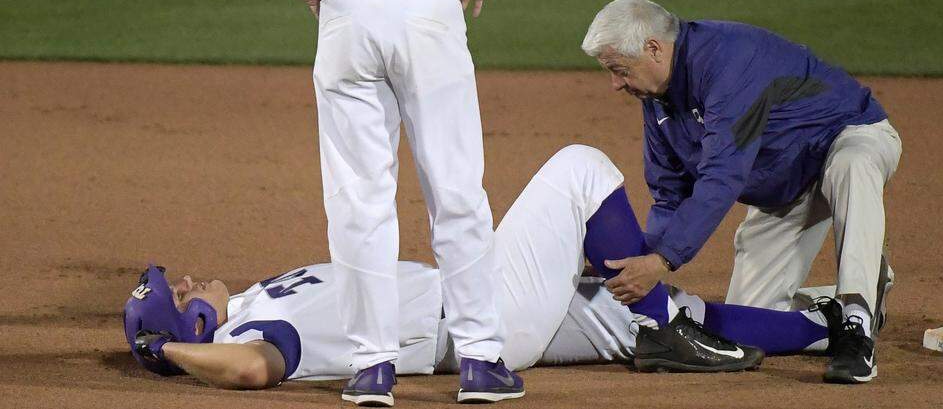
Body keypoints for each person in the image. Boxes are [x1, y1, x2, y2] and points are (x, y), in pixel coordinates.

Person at [208, 0, 523, 404]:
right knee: (456, 187)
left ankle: (372, 367)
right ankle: (482, 361)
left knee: (360, 199)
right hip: (430, 11)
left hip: (346, 17)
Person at [124, 147, 856, 398]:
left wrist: (170, 335)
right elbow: (252, 370)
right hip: (489, 316)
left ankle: (832, 329)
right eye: (179, 296)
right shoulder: (257, 329)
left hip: (497, 308)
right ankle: (662, 328)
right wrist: (171, 352)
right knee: (579, 169)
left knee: (656, 304)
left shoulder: (251, 296)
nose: (187, 280)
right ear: (191, 326)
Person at [580, 0, 903, 384]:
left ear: (653, 48)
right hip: (784, 190)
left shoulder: (728, 60)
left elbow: (721, 176)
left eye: (619, 69)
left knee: (854, 165)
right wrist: (634, 259)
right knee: (748, 319)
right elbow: (670, 194)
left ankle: (857, 320)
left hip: (847, 137)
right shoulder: (656, 98)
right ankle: (853, 292)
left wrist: (663, 261)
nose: (615, 84)